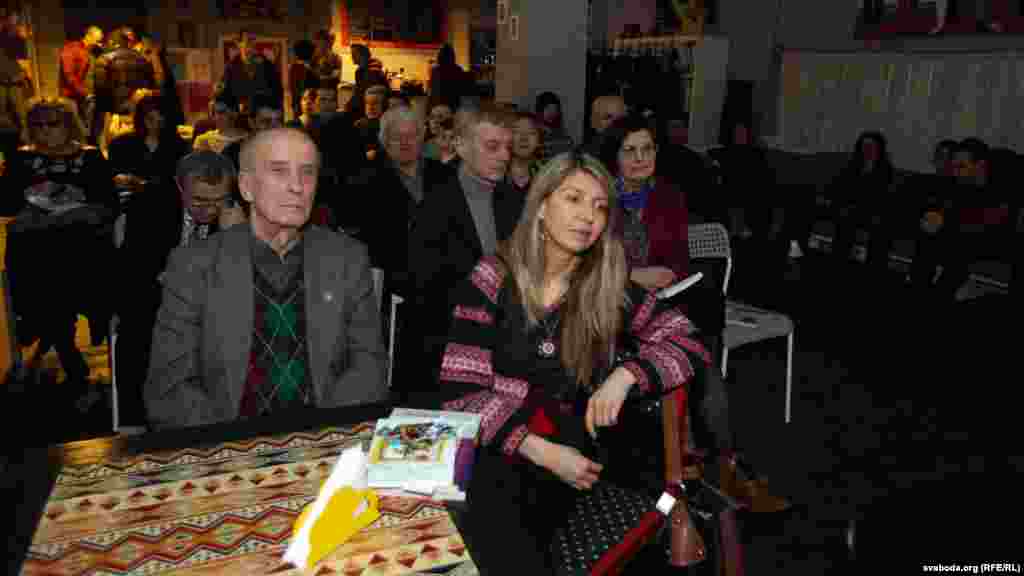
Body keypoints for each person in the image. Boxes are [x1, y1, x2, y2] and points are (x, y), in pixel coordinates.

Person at [439, 150, 710, 574]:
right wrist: (539, 450)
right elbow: (461, 394)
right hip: (498, 446)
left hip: (571, 460)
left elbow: (690, 342)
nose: (588, 217)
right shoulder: (493, 276)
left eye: (600, 207)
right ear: (541, 206)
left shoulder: (605, 288)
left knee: (506, 531)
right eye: (574, 198)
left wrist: (626, 375)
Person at [145, 128, 385, 429]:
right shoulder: (195, 265)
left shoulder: (347, 258)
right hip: (226, 440)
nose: (297, 186)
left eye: (307, 173)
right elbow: (169, 389)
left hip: (325, 437)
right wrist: (234, 444)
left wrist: (322, 436)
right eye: (279, 171)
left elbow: (369, 369)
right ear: (246, 187)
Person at [403, 103, 523, 407]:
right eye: (492, 147)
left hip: (509, 344)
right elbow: (425, 297)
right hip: (448, 348)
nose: (504, 156)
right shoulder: (433, 206)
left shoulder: (516, 201)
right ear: (460, 145)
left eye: (507, 147)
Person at [117, 151, 246, 431]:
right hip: (158, 298)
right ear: (179, 187)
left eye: (218, 200)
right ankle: (137, 421)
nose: (209, 210)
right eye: (199, 200)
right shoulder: (149, 205)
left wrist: (235, 238)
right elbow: (140, 274)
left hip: (217, 303)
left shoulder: (241, 210)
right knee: (137, 325)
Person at [3, 97, 117, 411]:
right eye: (37, 124)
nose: (45, 130)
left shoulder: (90, 157)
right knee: (42, 269)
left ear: (69, 125)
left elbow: (108, 205)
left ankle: (62, 346)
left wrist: (70, 213)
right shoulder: (20, 159)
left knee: (61, 272)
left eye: (52, 123)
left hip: (83, 249)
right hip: (35, 251)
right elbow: (7, 204)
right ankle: (66, 351)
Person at [219, 29, 283, 112]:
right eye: (247, 41)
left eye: (252, 41)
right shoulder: (231, 67)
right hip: (239, 115)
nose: (250, 45)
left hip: (263, 113)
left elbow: (277, 91)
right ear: (238, 44)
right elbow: (225, 92)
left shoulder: (266, 65)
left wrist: (271, 107)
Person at [222, 93, 284, 170]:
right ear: (251, 122)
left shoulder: (287, 151)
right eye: (266, 122)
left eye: (278, 121)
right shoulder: (232, 154)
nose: (274, 128)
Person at [59, 27, 104, 114]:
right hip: (71, 97)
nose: (98, 44)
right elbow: (68, 74)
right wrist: (84, 92)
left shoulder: (90, 52)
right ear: (88, 36)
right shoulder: (71, 49)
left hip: (83, 97)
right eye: (97, 41)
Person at [428, 43, 473, 112]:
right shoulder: (458, 70)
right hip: (453, 106)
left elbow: (432, 91)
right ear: (452, 56)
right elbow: (463, 89)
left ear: (439, 56)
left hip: (437, 107)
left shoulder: (435, 71)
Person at [507, 111, 542, 196]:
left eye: (531, 132)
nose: (524, 138)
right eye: (517, 131)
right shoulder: (495, 173)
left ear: (539, 140)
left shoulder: (547, 174)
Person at [535, 91, 574, 162]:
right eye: (548, 108)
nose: (551, 112)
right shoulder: (534, 133)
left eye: (554, 109)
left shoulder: (562, 135)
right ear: (540, 110)